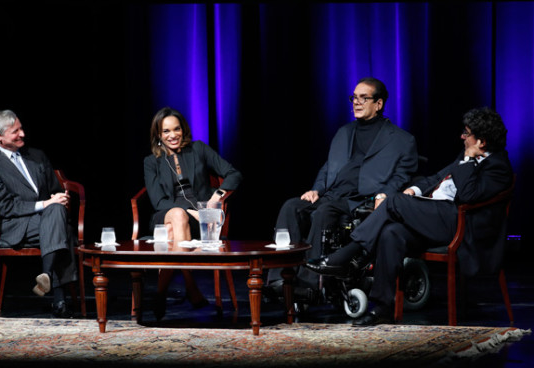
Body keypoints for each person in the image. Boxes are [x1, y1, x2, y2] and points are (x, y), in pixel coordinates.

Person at [306, 107, 513, 326]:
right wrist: (414, 191)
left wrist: (468, 160)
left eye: (467, 133)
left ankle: (348, 255)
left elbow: (469, 195)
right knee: (391, 233)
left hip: (460, 226)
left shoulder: (498, 167)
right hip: (436, 217)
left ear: (482, 142)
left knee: (393, 200)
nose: (462, 136)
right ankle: (383, 307)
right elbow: (435, 177)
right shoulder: (465, 157)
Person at [269, 77, 418, 301]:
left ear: (379, 104)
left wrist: (385, 193)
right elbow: (329, 166)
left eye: (363, 98)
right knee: (291, 206)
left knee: (324, 212)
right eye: (354, 98)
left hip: (360, 199)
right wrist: (316, 189)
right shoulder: (344, 132)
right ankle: (279, 279)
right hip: (332, 193)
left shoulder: (402, 140)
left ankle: (310, 284)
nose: (356, 102)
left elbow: (402, 175)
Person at [144, 106, 242, 320]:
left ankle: (160, 294)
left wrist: (216, 197)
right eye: (166, 131)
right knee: (177, 216)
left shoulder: (199, 149)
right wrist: (190, 211)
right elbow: (159, 202)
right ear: (158, 135)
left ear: (183, 129)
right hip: (166, 213)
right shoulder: (151, 162)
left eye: (176, 129)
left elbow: (233, 173)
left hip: (201, 219)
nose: (173, 135)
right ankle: (191, 286)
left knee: (171, 234)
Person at [0, 110, 77, 318]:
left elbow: (55, 189)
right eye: (15, 131)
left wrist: (61, 198)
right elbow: (7, 207)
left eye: (21, 128)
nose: (22, 134)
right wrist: (47, 204)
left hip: (48, 220)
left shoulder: (37, 156)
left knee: (57, 212)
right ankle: (59, 296)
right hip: (17, 226)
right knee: (62, 228)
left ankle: (47, 276)